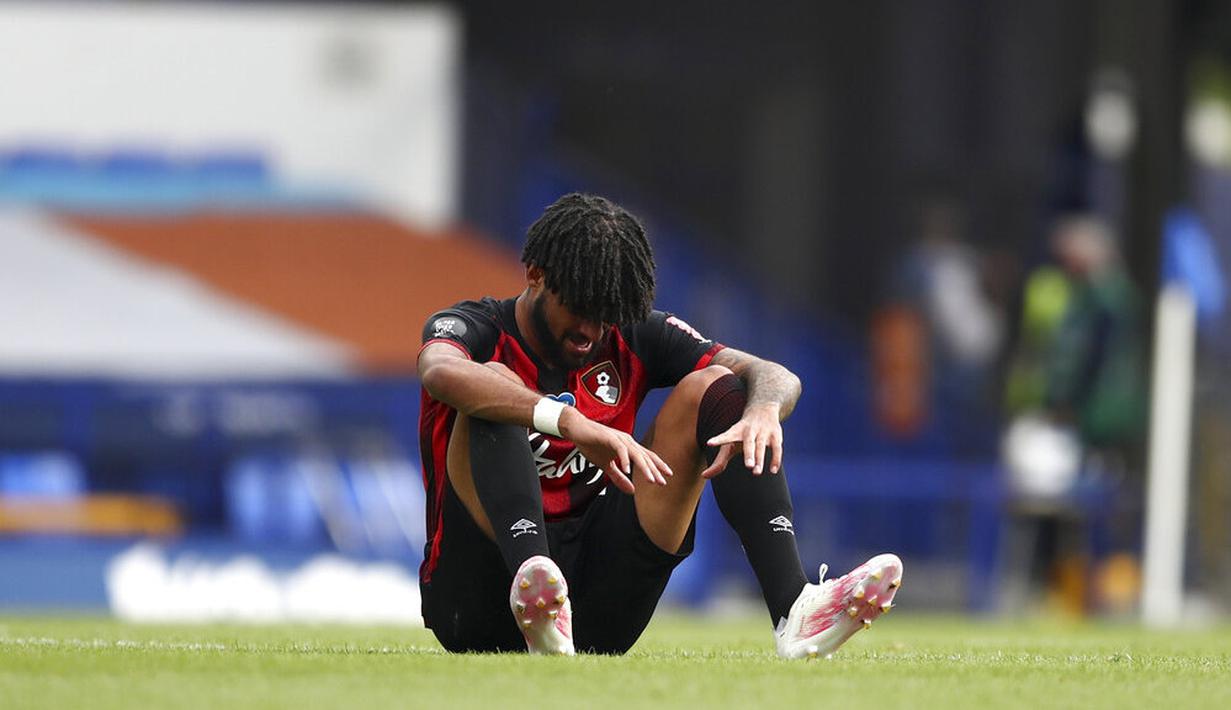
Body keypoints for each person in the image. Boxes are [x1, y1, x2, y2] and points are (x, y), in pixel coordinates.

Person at [416, 193, 902, 657]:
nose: (592, 331)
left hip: (599, 609)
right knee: (492, 385)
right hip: (476, 605)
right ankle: (534, 580)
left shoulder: (633, 334)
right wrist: (570, 422)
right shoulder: (475, 325)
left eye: (605, 316)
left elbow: (775, 375)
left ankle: (796, 609)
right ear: (535, 275)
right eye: (580, 310)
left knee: (720, 387)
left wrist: (762, 410)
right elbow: (439, 371)